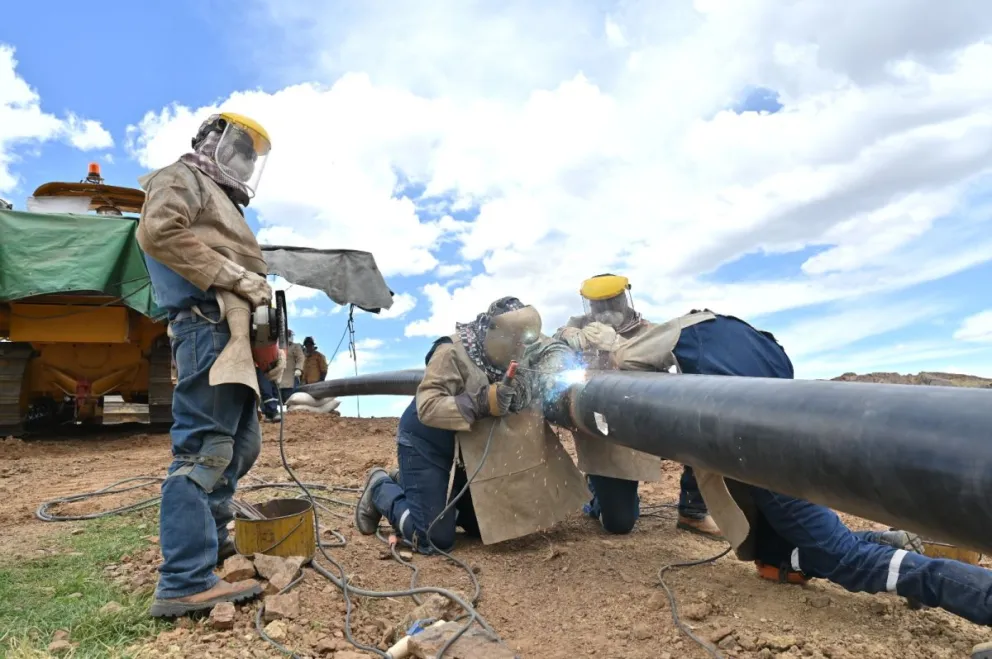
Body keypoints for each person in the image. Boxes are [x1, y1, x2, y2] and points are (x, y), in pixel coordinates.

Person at [590, 304, 992, 627]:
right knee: (782, 556)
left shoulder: (676, 333)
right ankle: (891, 542)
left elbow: (626, 361)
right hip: (785, 451)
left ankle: (965, 590)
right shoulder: (759, 342)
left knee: (842, 559)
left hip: (759, 459)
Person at [136, 112, 284, 617]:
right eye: (240, 150)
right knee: (205, 450)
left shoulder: (224, 201)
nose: (245, 163)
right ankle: (184, 579)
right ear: (214, 142)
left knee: (241, 445)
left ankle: (211, 539)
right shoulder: (181, 177)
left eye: (251, 158)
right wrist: (235, 278)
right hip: (206, 327)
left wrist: (269, 344)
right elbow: (158, 231)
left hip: (233, 334)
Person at [354, 297, 588, 552]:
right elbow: (428, 407)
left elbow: (552, 348)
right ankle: (380, 488)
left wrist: (555, 364)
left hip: (466, 454)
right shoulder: (451, 352)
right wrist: (483, 402)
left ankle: (412, 485)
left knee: (487, 526)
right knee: (434, 539)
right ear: (494, 333)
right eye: (516, 343)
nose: (522, 349)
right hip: (428, 445)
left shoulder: (524, 338)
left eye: (525, 342)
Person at [555, 274, 721, 538]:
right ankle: (598, 493)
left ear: (624, 297)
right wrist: (567, 337)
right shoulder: (579, 325)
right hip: (606, 431)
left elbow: (672, 364)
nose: (605, 311)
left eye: (611, 302)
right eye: (598, 305)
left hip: (646, 421)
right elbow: (555, 344)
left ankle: (693, 511)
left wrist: (619, 346)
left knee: (704, 428)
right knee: (619, 523)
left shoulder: (648, 332)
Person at [280, 329, 306, 401]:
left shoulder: (295, 346)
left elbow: (300, 358)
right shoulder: (279, 347)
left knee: (292, 399)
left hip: (291, 379)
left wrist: (298, 369)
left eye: (289, 334)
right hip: (279, 379)